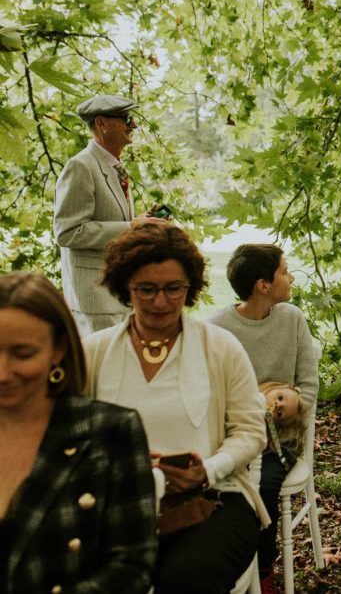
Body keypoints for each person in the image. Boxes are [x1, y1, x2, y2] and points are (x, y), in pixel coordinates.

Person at [83, 219, 269, 594]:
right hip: (114, 507)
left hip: (214, 501)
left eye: (173, 288)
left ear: (191, 287)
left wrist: (207, 471)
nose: (160, 301)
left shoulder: (220, 347)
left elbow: (250, 432)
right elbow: (67, 435)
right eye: (146, 289)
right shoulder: (93, 352)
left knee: (186, 578)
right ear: (125, 288)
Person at [0, 271, 157, 593]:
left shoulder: (110, 433)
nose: (2, 373)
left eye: (23, 354)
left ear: (58, 350)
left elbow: (131, 568)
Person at [208, 243, 319, 592]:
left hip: (280, 440)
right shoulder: (218, 328)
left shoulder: (292, 319)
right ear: (263, 286)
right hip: (232, 437)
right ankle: (229, 571)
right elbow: (211, 395)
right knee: (220, 486)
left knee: (263, 485)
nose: (291, 277)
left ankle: (264, 571)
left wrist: (294, 403)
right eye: (284, 271)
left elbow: (309, 387)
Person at [54, 94, 143, 336]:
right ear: (101, 123)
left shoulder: (113, 166)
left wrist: (143, 223)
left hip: (118, 295)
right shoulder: (81, 166)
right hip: (94, 303)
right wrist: (133, 227)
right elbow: (68, 232)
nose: (133, 125)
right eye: (126, 118)